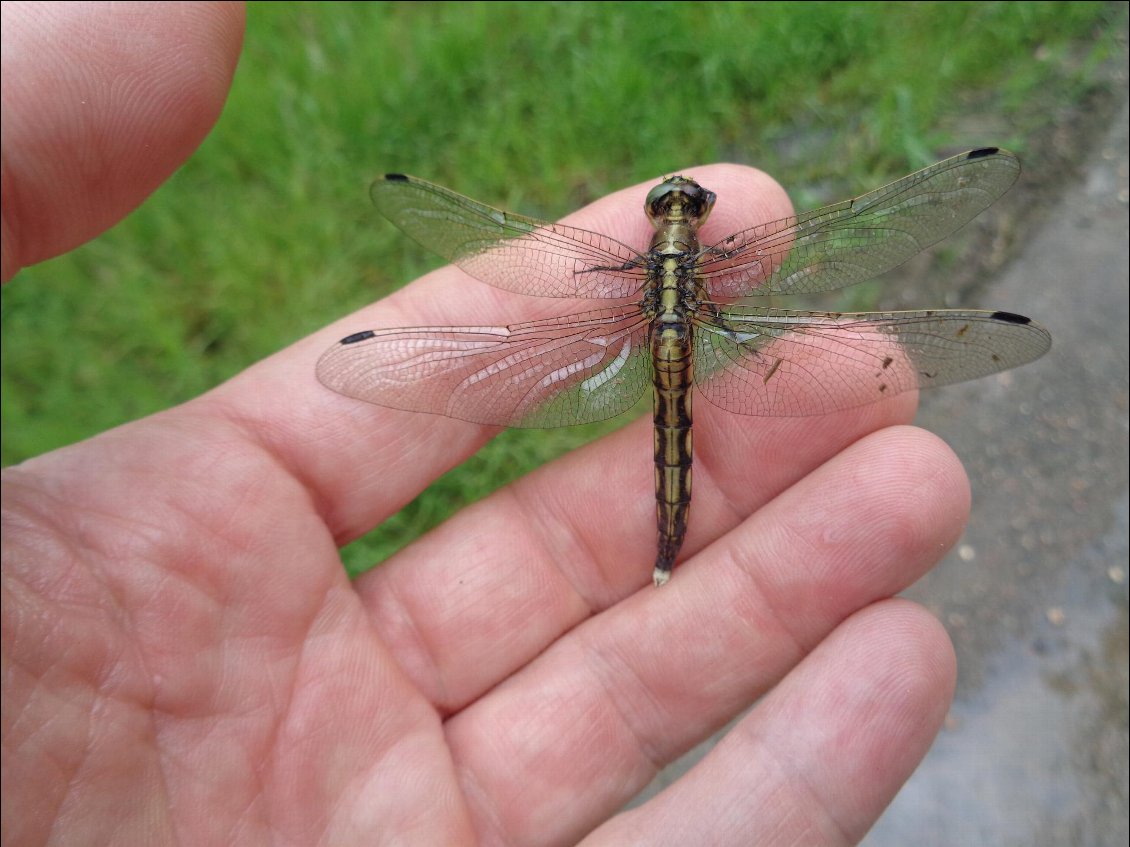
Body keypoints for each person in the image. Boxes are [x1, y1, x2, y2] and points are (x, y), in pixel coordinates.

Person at [1, 4, 965, 844]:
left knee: (708, 436)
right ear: (698, 229)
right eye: (685, 207)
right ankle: (669, 542)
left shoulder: (624, 272)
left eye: (681, 205)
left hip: (648, 343)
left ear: (661, 229)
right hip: (688, 342)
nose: (683, 207)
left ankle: (667, 544)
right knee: (699, 429)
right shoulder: (706, 272)